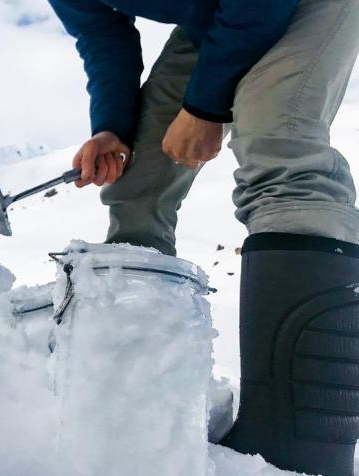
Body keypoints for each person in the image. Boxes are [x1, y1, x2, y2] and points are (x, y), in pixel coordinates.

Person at [47, 0, 359, 474]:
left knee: (275, 138)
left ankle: (299, 442)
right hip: (219, 16)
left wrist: (205, 106)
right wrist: (111, 127)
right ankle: (141, 396)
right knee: (137, 181)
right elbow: (103, 37)